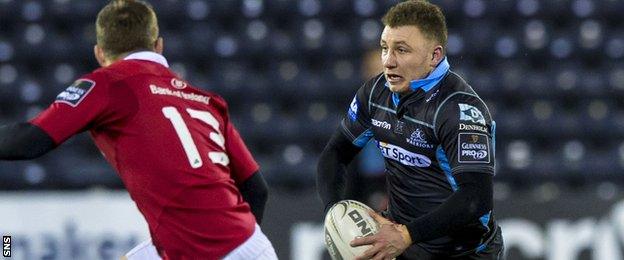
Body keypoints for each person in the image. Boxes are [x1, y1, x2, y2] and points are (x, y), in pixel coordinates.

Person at [0, 0, 277, 259]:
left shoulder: (108, 84)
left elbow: (28, 141)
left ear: (99, 52)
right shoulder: (208, 101)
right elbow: (256, 190)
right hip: (253, 245)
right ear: (158, 46)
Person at [317, 1, 504, 259]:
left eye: (401, 50)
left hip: (465, 253)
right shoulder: (375, 94)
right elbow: (334, 154)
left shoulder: (457, 109)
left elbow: (475, 198)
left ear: (434, 56)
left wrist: (407, 235)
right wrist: (335, 212)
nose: (388, 61)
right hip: (404, 247)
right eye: (385, 48)